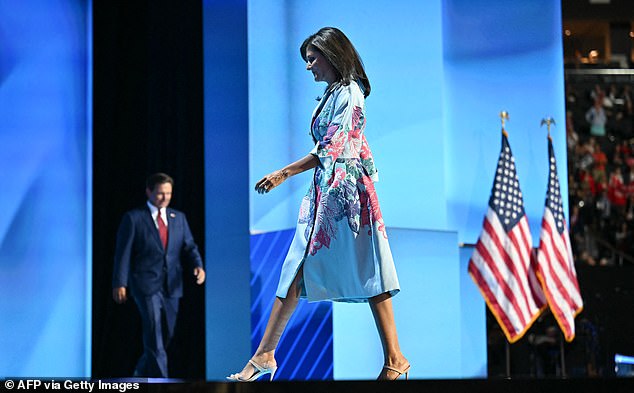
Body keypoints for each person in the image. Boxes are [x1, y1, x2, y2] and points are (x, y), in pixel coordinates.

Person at [227, 27, 409, 382]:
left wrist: (284, 172)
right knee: (296, 266)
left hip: (348, 195)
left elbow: (335, 146)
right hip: (326, 190)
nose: (309, 67)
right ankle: (265, 354)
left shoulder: (352, 93)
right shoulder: (332, 93)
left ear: (331, 54)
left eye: (312, 59)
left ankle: (395, 358)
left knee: (370, 268)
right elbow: (328, 147)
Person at [112, 172, 206, 377]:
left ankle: (140, 370)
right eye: (160, 193)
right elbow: (123, 253)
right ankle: (161, 382)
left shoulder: (178, 218)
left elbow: (189, 246)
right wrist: (120, 282)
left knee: (166, 334)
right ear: (149, 192)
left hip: (173, 285)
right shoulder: (134, 218)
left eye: (168, 194)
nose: (165, 198)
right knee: (154, 334)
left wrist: (198, 265)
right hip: (145, 284)